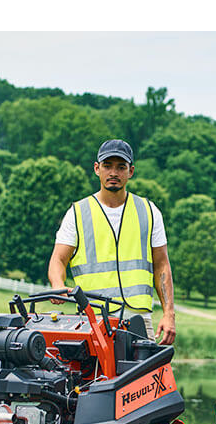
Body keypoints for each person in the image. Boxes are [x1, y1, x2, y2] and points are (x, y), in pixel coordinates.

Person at [47, 139, 176, 344]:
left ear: (130, 171)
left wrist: (169, 313)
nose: (113, 173)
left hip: (138, 320)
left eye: (120, 167)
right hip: (93, 320)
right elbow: (58, 260)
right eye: (107, 166)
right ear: (97, 169)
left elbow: (162, 264)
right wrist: (57, 284)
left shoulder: (149, 211)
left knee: (149, 376)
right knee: (93, 377)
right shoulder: (78, 213)